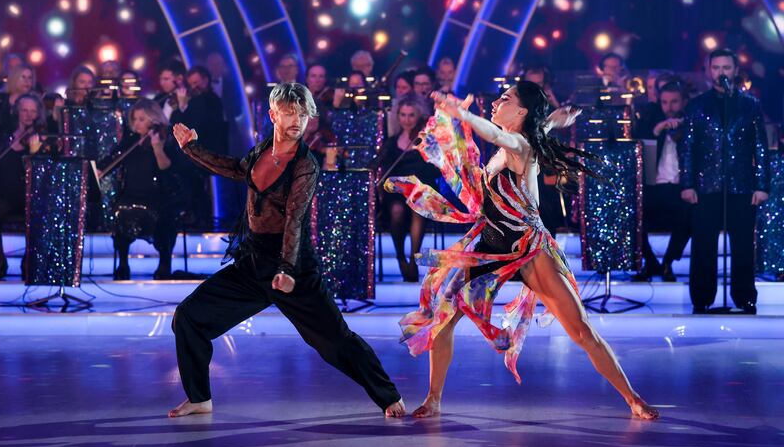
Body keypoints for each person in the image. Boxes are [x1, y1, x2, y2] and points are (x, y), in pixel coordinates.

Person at [386, 81, 659, 420]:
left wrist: (463, 114)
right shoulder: (521, 139)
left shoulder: (519, 145)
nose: (496, 103)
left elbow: (499, 135)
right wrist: (553, 120)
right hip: (491, 246)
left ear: (520, 112)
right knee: (441, 322)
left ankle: (633, 398)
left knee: (581, 330)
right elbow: (529, 130)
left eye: (505, 99)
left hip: (529, 247)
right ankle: (434, 399)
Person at [167, 82, 405, 419]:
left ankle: (388, 396)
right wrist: (191, 148)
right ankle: (199, 397)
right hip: (253, 262)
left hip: (294, 266)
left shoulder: (305, 165)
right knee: (189, 316)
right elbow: (234, 168)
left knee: (334, 341)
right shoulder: (262, 151)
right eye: (290, 113)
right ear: (273, 115)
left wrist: (287, 270)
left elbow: (295, 220)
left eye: (303, 114)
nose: (297, 120)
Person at [679, 48, 769, 314]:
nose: (721, 73)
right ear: (709, 71)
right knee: (703, 244)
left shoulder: (750, 105)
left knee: (742, 245)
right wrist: (687, 184)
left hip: (741, 185)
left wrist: (762, 185)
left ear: (735, 71)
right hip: (706, 185)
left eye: (726, 68)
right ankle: (702, 297)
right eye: (716, 67)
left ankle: (744, 296)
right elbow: (688, 148)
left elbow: (760, 147)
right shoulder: (697, 106)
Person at [98, 100, 180, 280]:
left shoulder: (166, 139)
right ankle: (123, 264)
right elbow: (114, 157)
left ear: (154, 119)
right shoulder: (131, 140)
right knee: (120, 212)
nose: (136, 124)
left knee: (164, 217)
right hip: (130, 194)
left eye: (141, 119)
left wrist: (157, 148)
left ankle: (164, 264)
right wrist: (100, 170)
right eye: (134, 119)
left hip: (157, 196)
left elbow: (166, 168)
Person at [633, 81, 691, 282]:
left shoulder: (692, 122)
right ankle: (650, 262)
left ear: (683, 101)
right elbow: (638, 147)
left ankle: (668, 262)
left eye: (674, 102)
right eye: (665, 102)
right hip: (654, 187)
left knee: (689, 216)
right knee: (632, 215)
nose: (669, 107)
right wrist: (657, 131)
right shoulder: (650, 122)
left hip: (680, 187)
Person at [0, 94, 45, 280]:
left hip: (30, 196)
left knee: (39, 213)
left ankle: (28, 260)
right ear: (17, 112)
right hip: (4, 196)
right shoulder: (4, 138)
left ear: (38, 114)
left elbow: (43, 173)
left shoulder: (42, 139)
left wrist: (36, 153)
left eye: (33, 111)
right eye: (24, 110)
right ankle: (0, 259)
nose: (29, 115)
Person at [378, 97, 439, 281]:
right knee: (396, 210)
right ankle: (400, 257)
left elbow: (435, 168)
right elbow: (378, 163)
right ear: (397, 116)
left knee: (418, 207)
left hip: (421, 190)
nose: (407, 119)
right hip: (397, 191)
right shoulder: (391, 142)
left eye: (411, 115)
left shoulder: (425, 140)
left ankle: (413, 260)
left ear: (418, 116)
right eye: (403, 115)